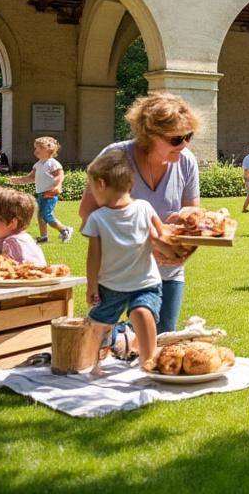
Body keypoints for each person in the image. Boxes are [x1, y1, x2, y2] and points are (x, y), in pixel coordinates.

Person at [80, 93, 202, 334]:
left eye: (189, 136)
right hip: (118, 273)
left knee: (162, 334)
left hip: (167, 270)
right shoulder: (115, 157)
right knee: (101, 334)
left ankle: (125, 340)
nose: (185, 144)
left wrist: (183, 252)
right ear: (149, 135)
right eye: (176, 139)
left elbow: (193, 219)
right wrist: (147, 241)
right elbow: (88, 213)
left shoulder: (186, 161)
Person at [82, 149, 164, 378]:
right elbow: (163, 233)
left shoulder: (98, 218)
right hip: (132, 282)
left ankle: (105, 364)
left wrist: (91, 285)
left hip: (121, 284)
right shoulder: (144, 208)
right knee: (122, 316)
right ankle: (142, 361)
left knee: (108, 322)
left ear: (100, 183)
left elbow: (93, 257)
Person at [2, 136, 73, 244]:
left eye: (38, 149)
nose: (35, 151)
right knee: (40, 216)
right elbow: (30, 178)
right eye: (35, 148)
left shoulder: (52, 163)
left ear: (48, 150)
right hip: (41, 194)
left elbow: (60, 175)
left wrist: (58, 186)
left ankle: (65, 230)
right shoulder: (38, 164)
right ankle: (44, 237)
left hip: (50, 193)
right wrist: (18, 180)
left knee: (46, 215)